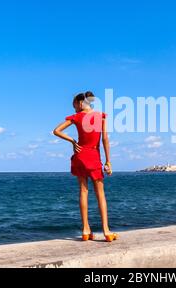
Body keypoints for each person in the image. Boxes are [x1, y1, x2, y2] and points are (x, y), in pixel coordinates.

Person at [53, 91, 118, 242]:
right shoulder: (100, 116)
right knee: (100, 194)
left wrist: (73, 141)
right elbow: (105, 139)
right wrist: (108, 161)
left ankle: (85, 230)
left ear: (80, 103)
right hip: (94, 156)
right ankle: (106, 231)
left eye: (74, 105)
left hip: (80, 155)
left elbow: (56, 131)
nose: (74, 108)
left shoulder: (76, 117)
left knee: (83, 191)